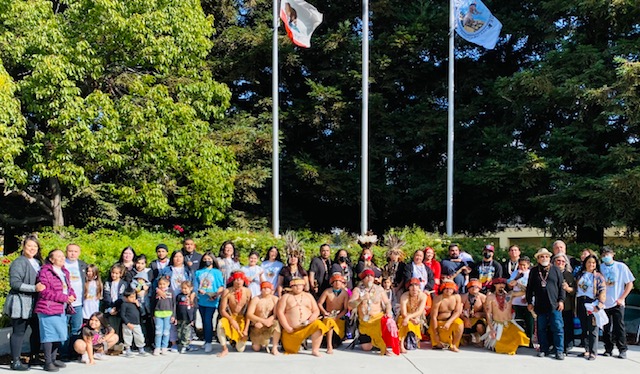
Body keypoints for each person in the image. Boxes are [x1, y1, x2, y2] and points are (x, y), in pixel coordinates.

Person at [5, 235, 45, 371]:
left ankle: (34, 357)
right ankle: (15, 361)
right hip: (20, 303)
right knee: (19, 332)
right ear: (23, 247)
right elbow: (15, 283)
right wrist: (34, 288)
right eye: (29, 246)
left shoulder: (39, 262)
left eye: (35, 246)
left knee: (37, 330)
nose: (32, 249)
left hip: (35, 303)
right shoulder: (19, 262)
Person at [35, 249, 77, 372]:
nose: (62, 258)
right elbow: (44, 291)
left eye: (62, 256)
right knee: (49, 335)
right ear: (51, 259)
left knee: (58, 334)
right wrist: (64, 298)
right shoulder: (45, 271)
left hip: (61, 307)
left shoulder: (65, 271)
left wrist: (72, 295)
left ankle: (53, 359)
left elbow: (68, 288)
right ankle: (48, 362)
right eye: (58, 256)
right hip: (47, 307)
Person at [526, 248, 566, 360]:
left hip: (554, 304)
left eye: (546, 256)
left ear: (549, 258)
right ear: (538, 259)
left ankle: (559, 350)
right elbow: (529, 288)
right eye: (542, 257)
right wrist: (529, 302)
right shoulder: (534, 271)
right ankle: (544, 349)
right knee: (541, 329)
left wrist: (561, 300)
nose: (544, 258)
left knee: (557, 327)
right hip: (540, 305)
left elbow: (561, 287)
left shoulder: (556, 270)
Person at [348, 269, 396, 355]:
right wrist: (360, 299)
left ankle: (380, 342)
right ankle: (375, 341)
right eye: (366, 276)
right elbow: (350, 305)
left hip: (378, 319)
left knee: (390, 322)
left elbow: (387, 303)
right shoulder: (357, 290)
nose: (369, 277)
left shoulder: (380, 289)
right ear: (363, 279)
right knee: (366, 347)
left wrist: (388, 312)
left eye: (371, 276)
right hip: (365, 322)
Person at [277, 278, 329, 356]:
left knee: (319, 325)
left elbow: (316, 311)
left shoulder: (308, 296)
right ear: (291, 286)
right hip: (292, 330)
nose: (298, 287)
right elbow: (280, 312)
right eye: (295, 285)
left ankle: (315, 350)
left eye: (300, 285)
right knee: (290, 350)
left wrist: (309, 321)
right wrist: (287, 327)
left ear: (303, 286)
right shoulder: (286, 297)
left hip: (307, 325)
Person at [599, 246, 635, 359]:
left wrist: (622, 298)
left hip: (617, 302)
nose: (606, 256)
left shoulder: (621, 267)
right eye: (604, 255)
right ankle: (608, 348)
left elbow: (629, 283)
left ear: (613, 254)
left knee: (619, 327)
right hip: (604, 302)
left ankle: (622, 349)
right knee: (606, 327)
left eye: (608, 254)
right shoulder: (600, 268)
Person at [482, 278, 530, 355]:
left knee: (521, 336)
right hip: (498, 326)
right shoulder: (491, 297)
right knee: (500, 348)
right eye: (499, 283)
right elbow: (488, 313)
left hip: (509, 324)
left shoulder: (510, 295)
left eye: (503, 283)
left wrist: (517, 284)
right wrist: (491, 329)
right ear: (494, 285)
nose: (501, 285)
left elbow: (526, 291)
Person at [157, 250, 193, 352]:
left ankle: (186, 343)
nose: (178, 259)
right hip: (170, 298)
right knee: (172, 321)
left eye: (180, 257)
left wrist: (192, 295)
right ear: (172, 258)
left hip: (185, 298)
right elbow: (157, 282)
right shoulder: (167, 270)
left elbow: (193, 283)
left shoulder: (187, 270)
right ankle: (173, 343)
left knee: (186, 321)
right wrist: (158, 290)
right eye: (176, 257)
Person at [575, 254, 606, 360]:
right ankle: (586, 349)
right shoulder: (580, 275)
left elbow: (602, 290)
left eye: (593, 262)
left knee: (593, 327)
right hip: (580, 302)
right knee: (584, 327)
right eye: (589, 262)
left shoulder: (598, 276)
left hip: (592, 303)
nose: (591, 264)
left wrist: (600, 304)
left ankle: (593, 352)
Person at [194, 251, 225, 353]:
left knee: (208, 320)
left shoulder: (217, 272)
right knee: (203, 320)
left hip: (212, 300)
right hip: (201, 300)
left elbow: (221, 286)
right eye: (205, 259)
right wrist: (198, 291)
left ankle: (208, 342)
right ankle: (206, 340)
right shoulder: (198, 272)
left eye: (209, 259)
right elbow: (195, 285)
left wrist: (216, 294)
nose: (207, 261)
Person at [216, 271, 252, 357]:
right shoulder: (227, 291)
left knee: (240, 349)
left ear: (244, 281)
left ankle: (234, 341)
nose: (238, 282)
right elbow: (222, 310)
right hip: (230, 317)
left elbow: (249, 312)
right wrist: (232, 320)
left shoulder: (247, 292)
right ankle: (224, 348)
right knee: (220, 324)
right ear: (233, 280)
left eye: (240, 279)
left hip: (242, 318)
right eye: (236, 279)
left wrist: (246, 329)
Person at [61, 243, 87, 360]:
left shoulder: (83, 265)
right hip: (63, 303)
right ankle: (64, 354)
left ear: (79, 253)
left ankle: (74, 352)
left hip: (78, 304)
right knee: (63, 328)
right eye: (70, 251)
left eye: (75, 251)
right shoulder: (61, 264)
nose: (72, 253)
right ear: (66, 252)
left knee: (76, 329)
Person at [246, 282, 281, 355]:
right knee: (256, 348)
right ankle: (261, 341)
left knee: (277, 325)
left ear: (271, 289)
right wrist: (260, 321)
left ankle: (274, 347)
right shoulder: (256, 299)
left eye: (268, 287)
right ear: (261, 289)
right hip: (257, 324)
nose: (266, 289)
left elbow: (275, 314)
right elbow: (249, 314)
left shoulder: (275, 299)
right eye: (264, 288)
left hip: (269, 322)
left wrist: (269, 320)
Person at [317, 274, 349, 354]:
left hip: (339, 317)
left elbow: (345, 309)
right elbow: (319, 303)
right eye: (335, 281)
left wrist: (338, 316)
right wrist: (325, 312)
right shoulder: (327, 291)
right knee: (329, 322)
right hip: (328, 316)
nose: (337, 283)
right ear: (332, 283)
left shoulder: (345, 293)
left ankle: (332, 343)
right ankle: (329, 346)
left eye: (339, 281)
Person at [429, 280, 464, 352]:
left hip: (450, 321)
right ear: (442, 289)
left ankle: (454, 345)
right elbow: (433, 317)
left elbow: (457, 312)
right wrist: (436, 334)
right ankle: (439, 339)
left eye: (451, 288)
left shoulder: (457, 297)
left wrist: (449, 322)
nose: (448, 290)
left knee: (460, 324)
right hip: (439, 322)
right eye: (446, 288)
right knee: (438, 345)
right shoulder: (438, 298)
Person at [553, 253, 576, 353]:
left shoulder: (569, 275)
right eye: (558, 261)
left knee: (567, 326)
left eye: (563, 261)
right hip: (553, 304)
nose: (561, 263)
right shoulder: (550, 273)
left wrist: (567, 288)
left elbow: (575, 290)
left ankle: (567, 345)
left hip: (566, 305)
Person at [398, 278, 427, 353]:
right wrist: (408, 318)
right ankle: (401, 345)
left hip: (417, 316)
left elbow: (420, 311)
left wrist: (411, 318)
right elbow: (404, 313)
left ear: (419, 288)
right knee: (404, 321)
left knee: (413, 322)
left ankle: (413, 340)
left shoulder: (423, 296)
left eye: (416, 286)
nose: (414, 289)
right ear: (409, 288)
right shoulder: (404, 296)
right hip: (404, 316)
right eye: (412, 287)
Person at [507, 256, 533, 341]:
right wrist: (515, 279)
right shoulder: (515, 273)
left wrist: (526, 295)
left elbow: (530, 288)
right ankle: (519, 339)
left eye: (524, 265)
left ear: (528, 265)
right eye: (521, 265)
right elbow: (510, 284)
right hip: (516, 301)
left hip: (527, 301)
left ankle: (529, 339)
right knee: (518, 321)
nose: (522, 267)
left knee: (529, 322)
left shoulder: (531, 273)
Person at [102, 263, 128, 337]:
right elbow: (106, 296)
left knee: (119, 326)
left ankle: (119, 342)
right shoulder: (108, 283)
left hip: (119, 308)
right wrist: (111, 307)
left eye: (116, 273)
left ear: (121, 274)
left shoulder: (123, 284)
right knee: (110, 326)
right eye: (113, 273)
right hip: (109, 308)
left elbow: (121, 296)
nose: (114, 275)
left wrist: (116, 307)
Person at [120, 289, 147, 357]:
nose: (133, 298)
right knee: (127, 336)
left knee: (139, 336)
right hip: (127, 324)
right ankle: (128, 349)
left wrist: (139, 305)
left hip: (136, 323)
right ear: (126, 298)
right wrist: (127, 323)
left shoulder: (135, 304)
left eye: (134, 296)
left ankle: (141, 348)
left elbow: (142, 313)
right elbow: (122, 315)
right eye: (131, 297)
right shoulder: (124, 304)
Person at [152, 277, 174, 355]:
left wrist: (173, 315)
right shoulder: (156, 292)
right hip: (158, 313)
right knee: (158, 331)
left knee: (166, 332)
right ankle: (157, 347)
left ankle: (164, 347)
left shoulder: (170, 291)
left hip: (168, 314)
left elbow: (173, 304)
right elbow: (153, 303)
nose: (162, 286)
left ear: (168, 284)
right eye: (160, 284)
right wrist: (153, 314)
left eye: (164, 284)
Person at [460, 278, 486, 344]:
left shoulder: (483, 298)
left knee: (480, 326)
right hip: (466, 319)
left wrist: (481, 314)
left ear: (479, 288)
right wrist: (465, 318)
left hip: (478, 319)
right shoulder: (463, 297)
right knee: (464, 343)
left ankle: (483, 339)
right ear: (468, 287)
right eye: (472, 286)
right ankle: (466, 336)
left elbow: (488, 313)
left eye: (476, 287)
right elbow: (458, 311)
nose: (474, 288)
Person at [175, 281, 197, 353]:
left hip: (188, 318)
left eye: (185, 288)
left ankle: (185, 345)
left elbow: (194, 309)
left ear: (191, 288)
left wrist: (193, 319)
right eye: (182, 288)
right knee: (179, 332)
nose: (184, 290)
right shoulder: (179, 296)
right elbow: (176, 307)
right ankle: (181, 344)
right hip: (179, 317)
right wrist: (175, 317)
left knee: (186, 332)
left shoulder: (193, 297)